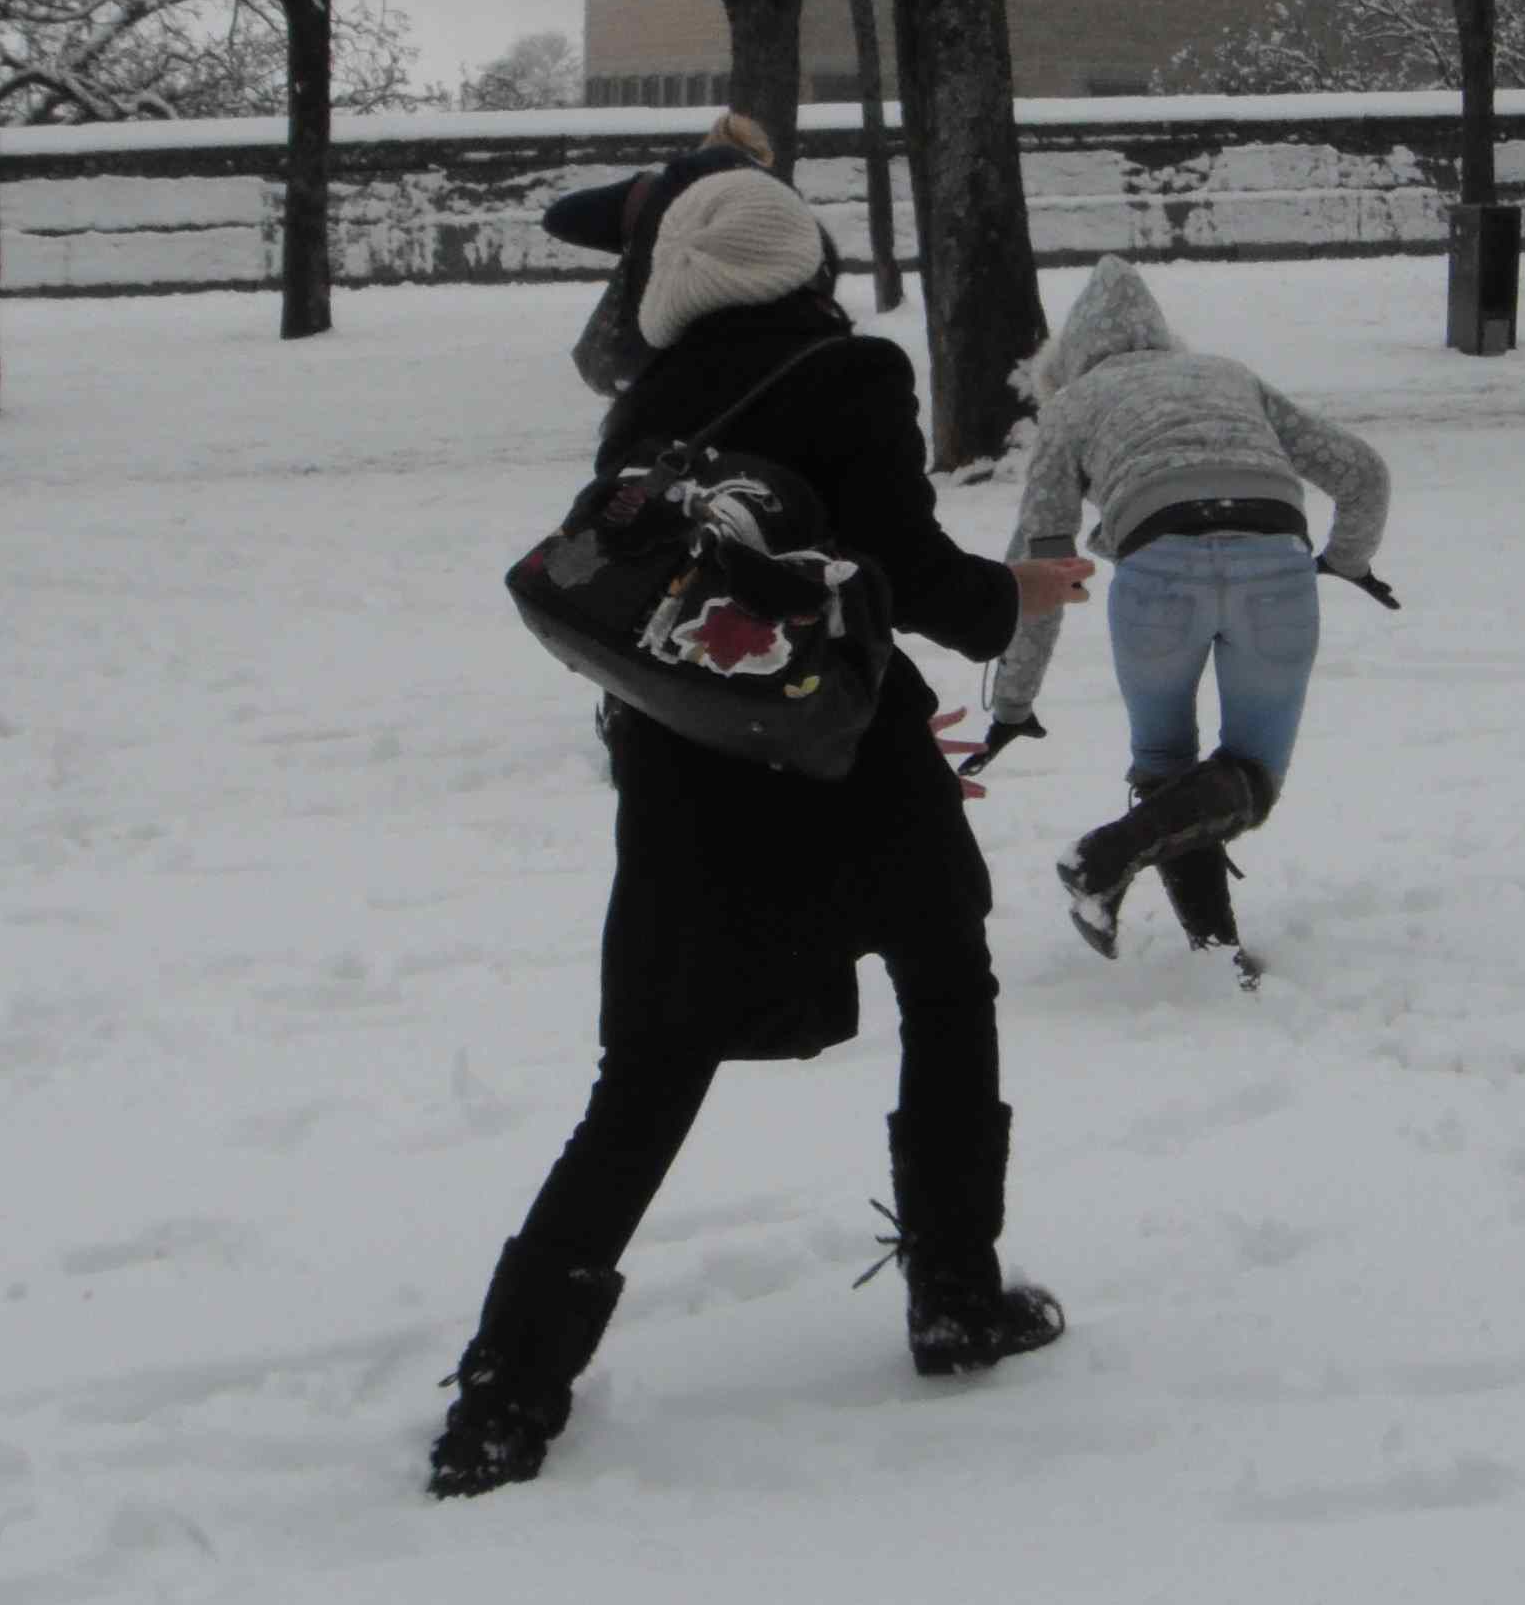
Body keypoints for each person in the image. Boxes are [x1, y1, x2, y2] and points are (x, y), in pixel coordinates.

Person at [430, 169, 1095, 1498]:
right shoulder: (853, 370)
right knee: (948, 991)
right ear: (807, 267)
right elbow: (897, 562)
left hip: (689, 773)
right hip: (849, 757)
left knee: (650, 1072)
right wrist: (1011, 596)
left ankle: (506, 1396)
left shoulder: (649, 400)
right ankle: (957, 1293)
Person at [963, 257, 1393, 983]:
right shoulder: (1228, 376)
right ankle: (1202, 943)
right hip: (1274, 564)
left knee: (1166, 768)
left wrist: (1012, 702)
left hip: (1158, 576)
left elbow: (1042, 567)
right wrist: (1346, 559)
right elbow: (1363, 473)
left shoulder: (1069, 405)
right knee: (1248, 778)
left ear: (1064, 361)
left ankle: (1139, 888)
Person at [545, 110, 779, 400]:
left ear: (704, 147)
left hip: (653, 366)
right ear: (762, 159)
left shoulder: (653, 195)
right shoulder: (780, 213)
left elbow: (560, 217)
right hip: (751, 372)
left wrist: (640, 234)